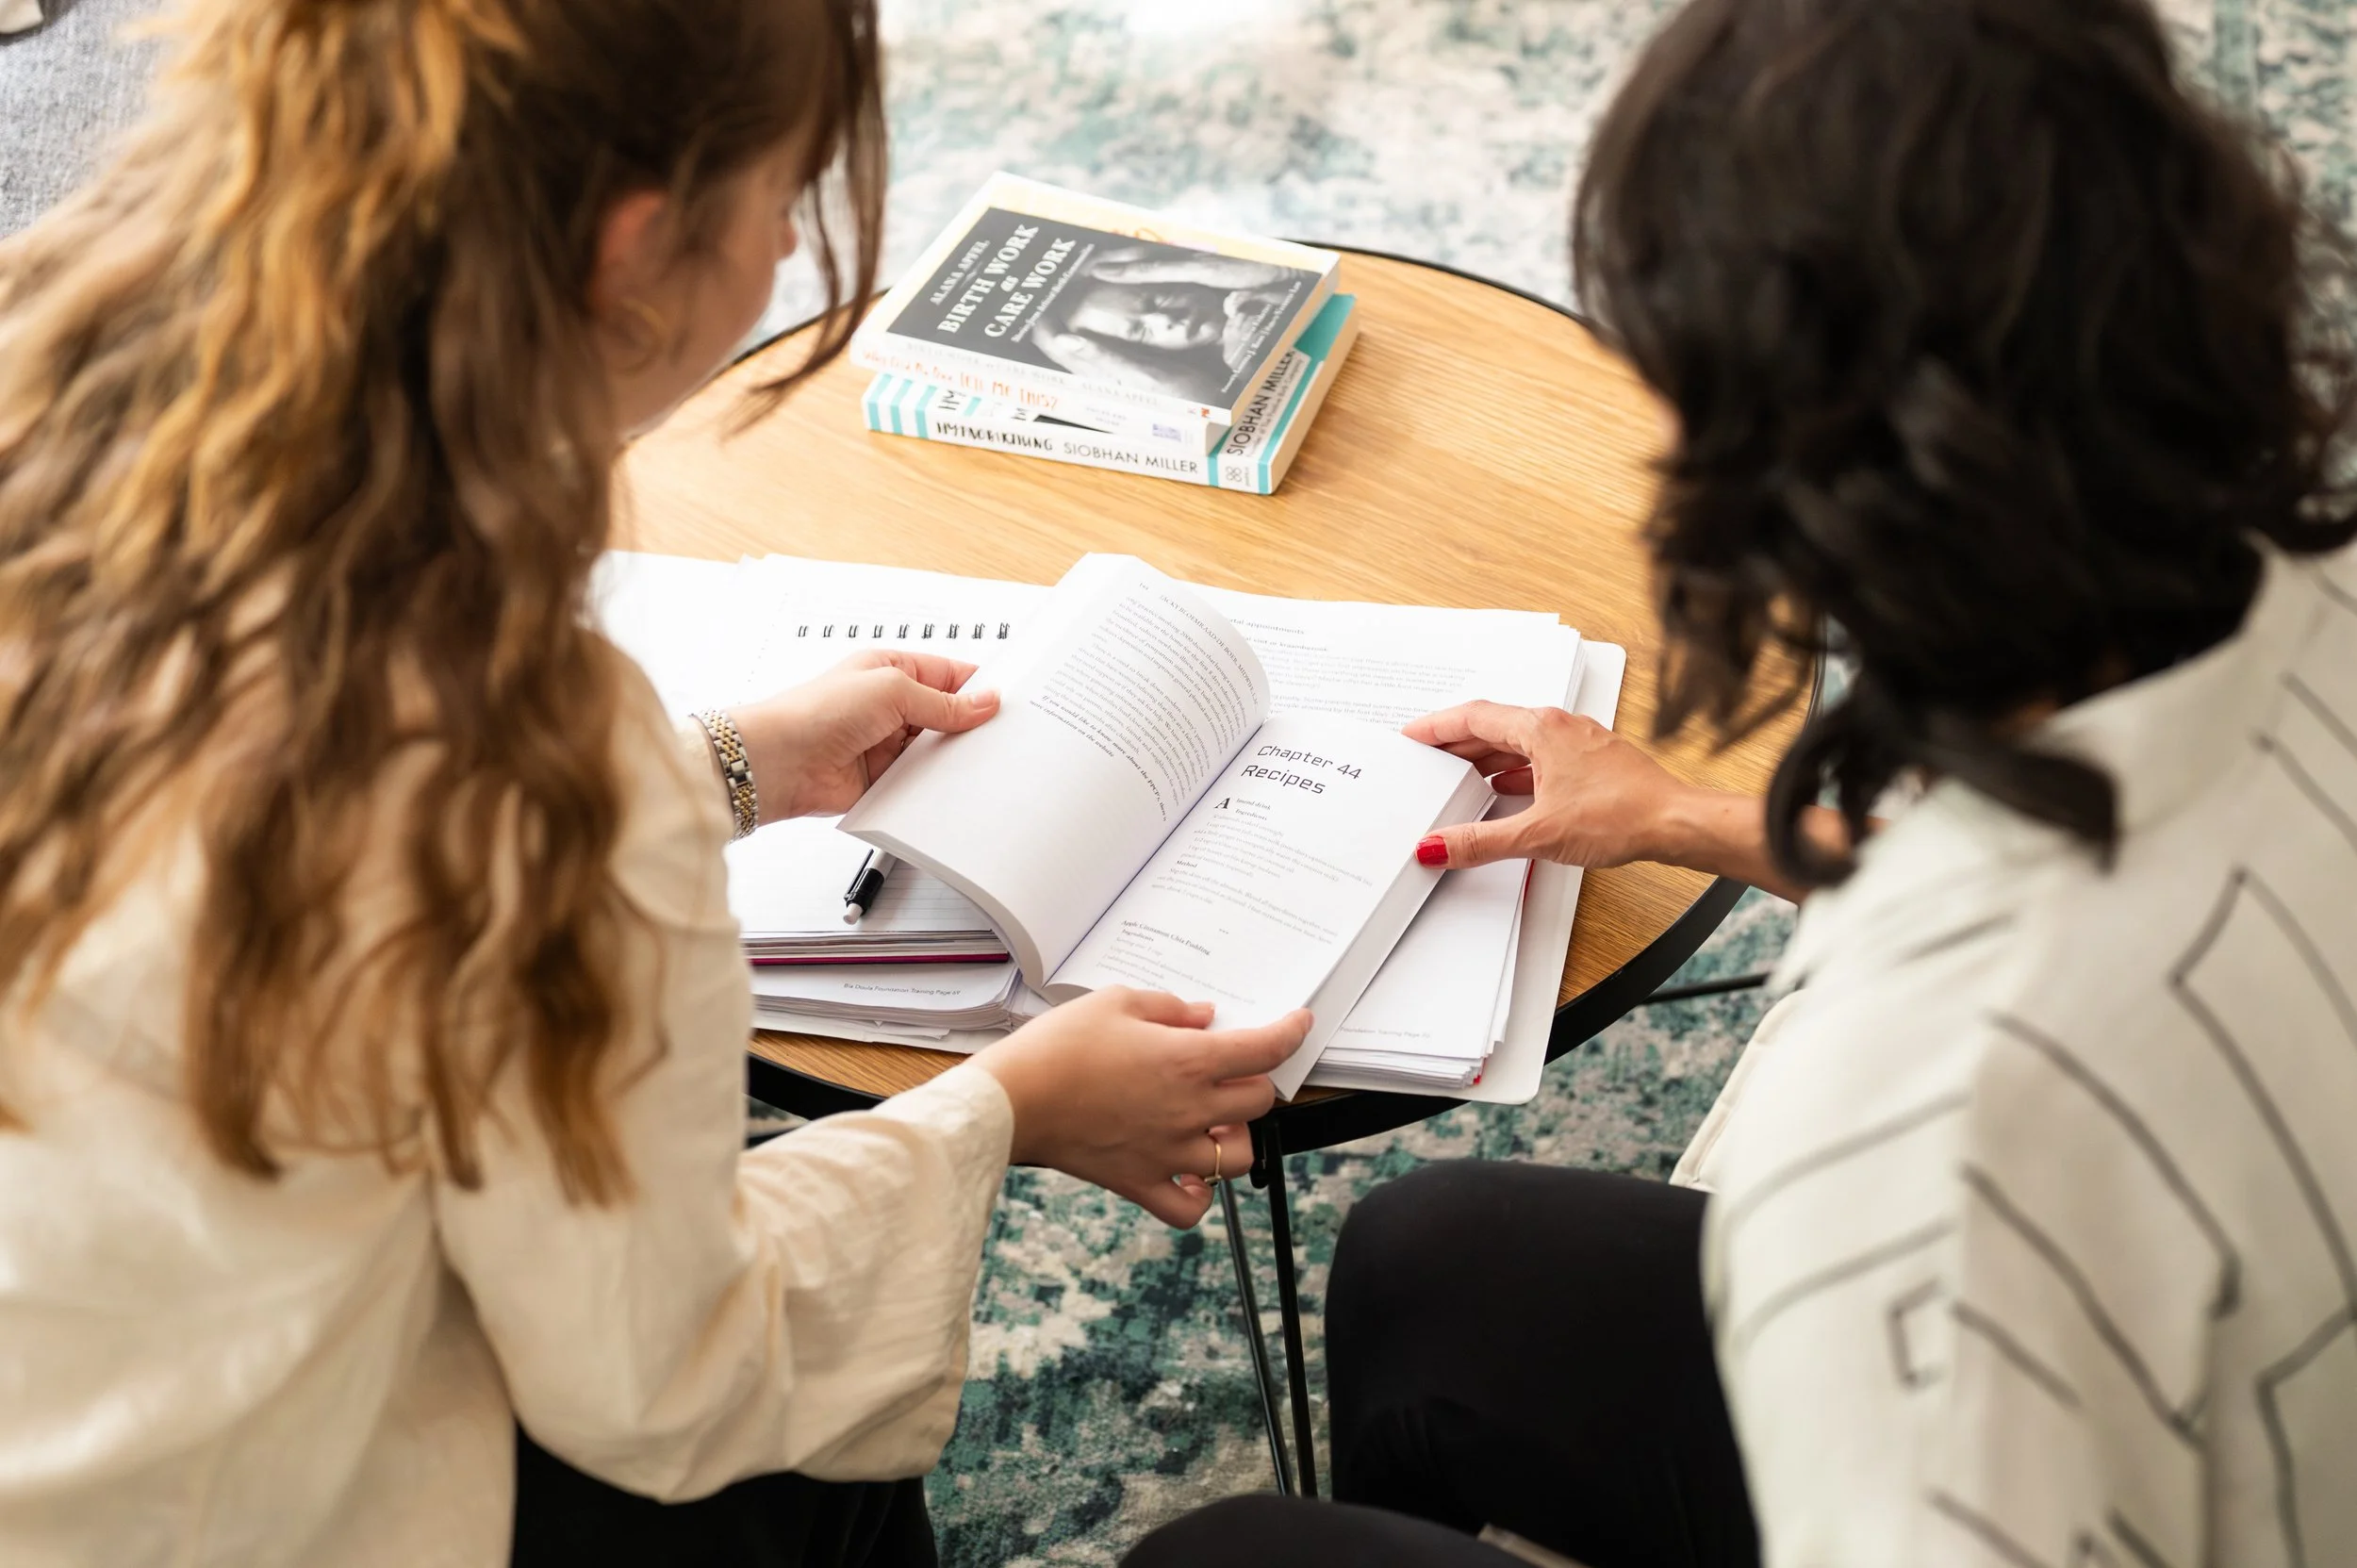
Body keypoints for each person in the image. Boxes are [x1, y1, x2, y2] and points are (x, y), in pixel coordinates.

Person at [0, 1, 1308, 1565]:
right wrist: (1004, 1110)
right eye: (785, 197)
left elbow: (282, 857)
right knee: (812, 1456)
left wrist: (732, 764)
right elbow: (663, 1372)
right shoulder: (512, 743)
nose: (782, 253)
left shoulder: (57, 394)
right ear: (633, 251)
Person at [1128, 0, 2357, 1564]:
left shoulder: (1934, 1132)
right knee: (1432, 1258)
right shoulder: (2286, 593)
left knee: (1225, 1559)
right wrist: (1677, 816)